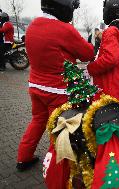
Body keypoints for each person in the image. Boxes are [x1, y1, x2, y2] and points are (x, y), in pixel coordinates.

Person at [16, 0, 94, 172]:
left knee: (37, 120)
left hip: (35, 86)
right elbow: (87, 53)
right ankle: (57, 171)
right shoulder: (64, 29)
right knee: (60, 132)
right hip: (58, 91)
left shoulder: (33, 25)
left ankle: (23, 157)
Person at [87, 0, 119, 102]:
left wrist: (90, 68)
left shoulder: (112, 30)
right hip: (118, 88)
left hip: (105, 89)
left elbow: (110, 58)